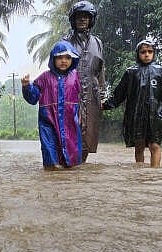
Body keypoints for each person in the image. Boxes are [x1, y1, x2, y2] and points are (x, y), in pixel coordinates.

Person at [102, 40, 162, 168]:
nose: (147, 55)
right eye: (143, 52)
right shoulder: (131, 72)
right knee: (139, 145)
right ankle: (140, 174)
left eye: (150, 52)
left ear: (154, 53)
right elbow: (119, 94)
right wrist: (105, 105)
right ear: (138, 54)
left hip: (155, 115)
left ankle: (154, 173)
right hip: (136, 115)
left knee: (155, 145)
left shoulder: (160, 71)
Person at [22, 40, 83, 170]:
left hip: (69, 121)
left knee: (71, 159)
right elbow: (33, 98)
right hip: (48, 121)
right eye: (60, 57)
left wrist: (83, 115)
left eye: (68, 57)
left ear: (73, 59)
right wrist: (27, 86)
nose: (64, 61)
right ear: (53, 59)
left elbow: (83, 97)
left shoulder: (75, 76)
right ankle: (51, 172)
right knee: (51, 154)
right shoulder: (44, 77)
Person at [63, 0, 106, 163]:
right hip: (71, 94)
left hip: (92, 95)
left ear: (91, 19)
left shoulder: (98, 43)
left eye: (86, 17)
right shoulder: (66, 41)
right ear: (73, 20)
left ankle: (81, 167)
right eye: (79, 17)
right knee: (70, 133)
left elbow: (101, 70)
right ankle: (70, 167)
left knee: (88, 137)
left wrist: (102, 96)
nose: (82, 20)